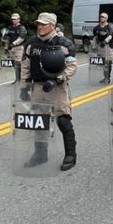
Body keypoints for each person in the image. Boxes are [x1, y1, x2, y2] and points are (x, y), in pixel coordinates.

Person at [20, 12, 78, 171]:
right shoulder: (32, 43)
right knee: (39, 122)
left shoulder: (64, 44)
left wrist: (58, 79)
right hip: (37, 87)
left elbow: (72, 66)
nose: (39, 26)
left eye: (43, 24)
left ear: (52, 25)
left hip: (57, 88)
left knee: (63, 120)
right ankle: (40, 154)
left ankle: (70, 155)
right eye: (38, 24)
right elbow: (25, 65)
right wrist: (24, 86)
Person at [3, 13, 27, 84]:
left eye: (15, 19)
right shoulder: (10, 28)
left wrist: (13, 43)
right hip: (11, 48)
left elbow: (22, 38)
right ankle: (17, 79)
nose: (13, 20)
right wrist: (6, 47)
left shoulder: (21, 28)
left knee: (18, 63)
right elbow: (6, 37)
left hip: (19, 47)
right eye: (12, 19)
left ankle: (21, 79)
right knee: (14, 64)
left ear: (19, 19)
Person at [91, 12, 113, 84]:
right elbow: (95, 36)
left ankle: (108, 77)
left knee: (108, 62)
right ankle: (105, 76)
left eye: (103, 17)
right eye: (101, 17)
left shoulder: (109, 27)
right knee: (102, 62)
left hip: (107, 46)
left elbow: (111, 35)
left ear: (106, 18)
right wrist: (94, 46)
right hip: (99, 46)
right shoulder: (97, 27)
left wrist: (105, 41)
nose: (102, 18)